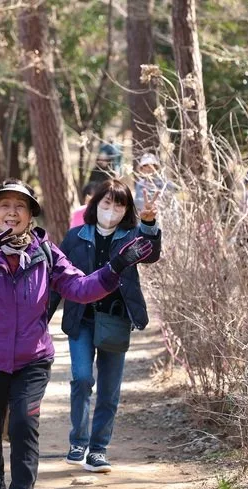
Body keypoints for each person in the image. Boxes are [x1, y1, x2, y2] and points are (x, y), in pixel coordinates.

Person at [0, 179, 154, 489]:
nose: (12, 212)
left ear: (30, 215)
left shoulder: (45, 252)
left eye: (20, 207)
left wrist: (115, 268)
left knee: (23, 424)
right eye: (4, 205)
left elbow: (80, 287)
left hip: (32, 358)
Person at [49, 179, 162, 473]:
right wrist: (39, 321)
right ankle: (78, 442)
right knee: (82, 379)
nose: (111, 210)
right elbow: (56, 280)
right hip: (81, 319)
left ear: (126, 210)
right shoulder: (74, 237)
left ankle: (98, 450)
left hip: (115, 319)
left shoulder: (130, 237)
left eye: (119, 204)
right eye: (106, 203)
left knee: (109, 390)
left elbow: (152, 252)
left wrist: (149, 225)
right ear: (95, 205)